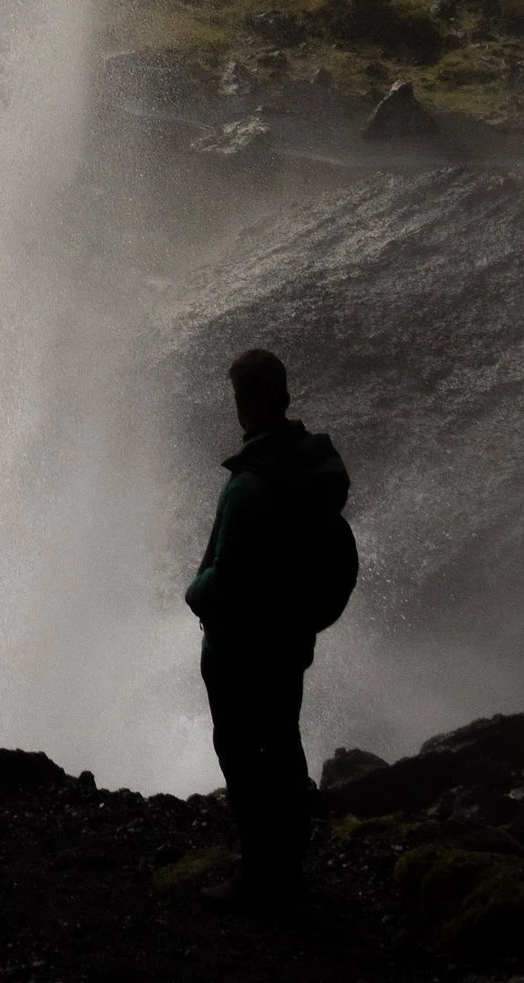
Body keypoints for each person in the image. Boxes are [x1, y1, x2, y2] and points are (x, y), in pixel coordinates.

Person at [185, 347, 358, 908]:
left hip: (241, 650)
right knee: (283, 746)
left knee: (241, 753)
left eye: (238, 397)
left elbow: (224, 582)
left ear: (246, 403)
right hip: (289, 639)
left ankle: (261, 878)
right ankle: (288, 870)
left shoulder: (251, 486)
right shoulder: (309, 467)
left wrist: (193, 591)